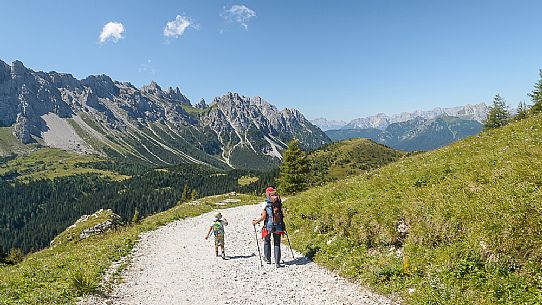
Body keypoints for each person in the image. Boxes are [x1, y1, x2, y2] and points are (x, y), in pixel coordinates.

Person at [252, 187, 285, 267]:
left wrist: (256, 222)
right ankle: (277, 263)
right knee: (277, 243)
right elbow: (283, 214)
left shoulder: (265, 204)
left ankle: (268, 259)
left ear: (267, 194)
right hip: (278, 225)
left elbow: (263, 217)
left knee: (267, 241)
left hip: (268, 226)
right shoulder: (279, 202)